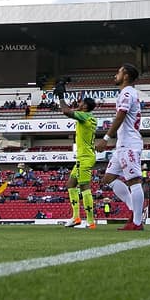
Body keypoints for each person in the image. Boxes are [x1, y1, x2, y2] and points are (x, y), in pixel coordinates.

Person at [94, 63, 147, 231]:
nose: (115, 75)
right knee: (108, 179)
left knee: (134, 181)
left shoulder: (127, 93)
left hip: (129, 144)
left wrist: (106, 138)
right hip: (122, 144)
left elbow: (120, 117)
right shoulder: (128, 93)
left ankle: (137, 222)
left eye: (118, 72)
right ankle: (134, 210)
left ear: (125, 76)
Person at [59, 96, 98, 229]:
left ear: (85, 106)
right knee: (70, 184)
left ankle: (91, 221)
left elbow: (66, 111)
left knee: (84, 187)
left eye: (82, 102)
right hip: (84, 157)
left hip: (85, 157)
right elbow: (72, 110)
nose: (79, 103)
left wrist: (60, 97)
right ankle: (76, 217)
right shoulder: (90, 117)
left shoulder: (84, 116)